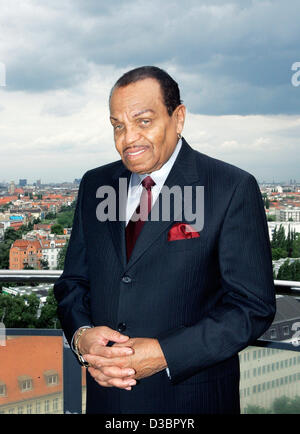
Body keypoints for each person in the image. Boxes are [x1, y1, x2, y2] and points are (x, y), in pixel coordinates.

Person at [54, 66, 276, 414]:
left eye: (143, 121)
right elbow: (73, 283)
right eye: (118, 125)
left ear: (179, 118)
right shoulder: (95, 185)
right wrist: (81, 336)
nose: (128, 139)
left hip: (191, 400)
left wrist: (163, 353)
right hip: (106, 400)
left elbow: (252, 306)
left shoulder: (230, 187)